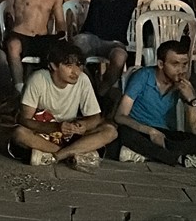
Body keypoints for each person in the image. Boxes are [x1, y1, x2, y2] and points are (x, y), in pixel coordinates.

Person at [57, 0, 154, 99]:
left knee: (120, 57)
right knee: (75, 48)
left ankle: (100, 93)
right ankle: (89, 89)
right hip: (90, 37)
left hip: (115, 42)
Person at [9, 40, 116, 173]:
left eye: (79, 65)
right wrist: (56, 127)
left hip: (71, 134)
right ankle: (75, 153)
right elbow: (24, 120)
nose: (76, 71)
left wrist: (83, 126)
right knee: (19, 133)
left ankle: (57, 156)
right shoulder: (38, 79)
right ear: (53, 66)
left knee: (110, 131)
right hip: (46, 133)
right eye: (68, 65)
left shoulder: (83, 80)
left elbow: (95, 117)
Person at [112, 39, 196, 168]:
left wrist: (192, 101)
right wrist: (150, 131)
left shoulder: (182, 84)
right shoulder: (143, 76)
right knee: (124, 133)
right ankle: (177, 158)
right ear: (161, 64)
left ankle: (149, 154)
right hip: (141, 129)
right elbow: (120, 116)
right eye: (175, 64)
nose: (181, 70)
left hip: (164, 134)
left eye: (184, 64)